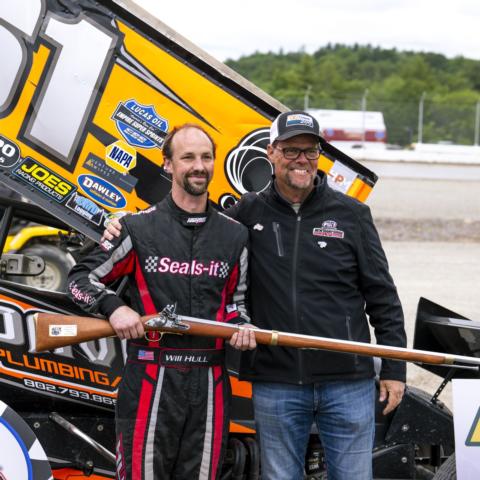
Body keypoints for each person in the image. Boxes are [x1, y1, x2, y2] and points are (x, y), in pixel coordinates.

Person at [103, 111, 407, 480]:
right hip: (277, 383)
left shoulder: (353, 215)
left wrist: (394, 369)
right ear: (272, 153)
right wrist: (120, 224)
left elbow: (383, 296)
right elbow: (192, 222)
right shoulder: (247, 212)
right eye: (291, 150)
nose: (302, 159)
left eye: (311, 151)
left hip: (347, 381)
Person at [68, 123, 256, 480]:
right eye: (188, 157)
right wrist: (115, 307)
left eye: (206, 157)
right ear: (168, 164)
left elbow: (237, 305)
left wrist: (242, 328)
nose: (199, 166)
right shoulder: (137, 228)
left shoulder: (235, 235)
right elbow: (79, 280)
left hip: (210, 383)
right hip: (150, 376)